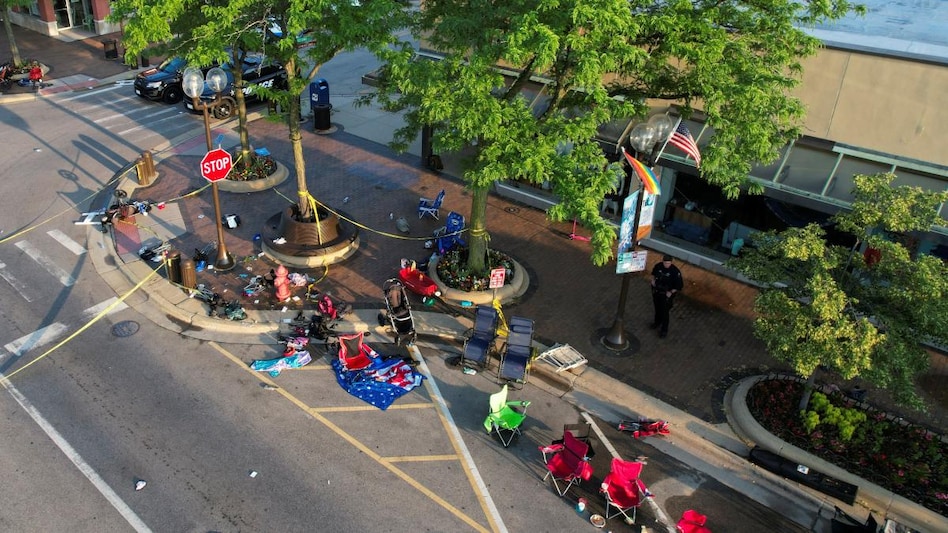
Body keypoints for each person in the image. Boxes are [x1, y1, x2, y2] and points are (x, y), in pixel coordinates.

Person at [650, 254, 683, 338]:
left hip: (667, 294)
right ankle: (657, 322)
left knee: (664, 312)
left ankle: (664, 330)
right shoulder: (659, 266)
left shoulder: (675, 272)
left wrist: (671, 292)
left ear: (671, 263)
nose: (666, 265)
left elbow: (679, 286)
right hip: (657, 291)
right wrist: (653, 280)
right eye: (665, 263)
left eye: (668, 263)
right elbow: (653, 274)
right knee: (657, 308)